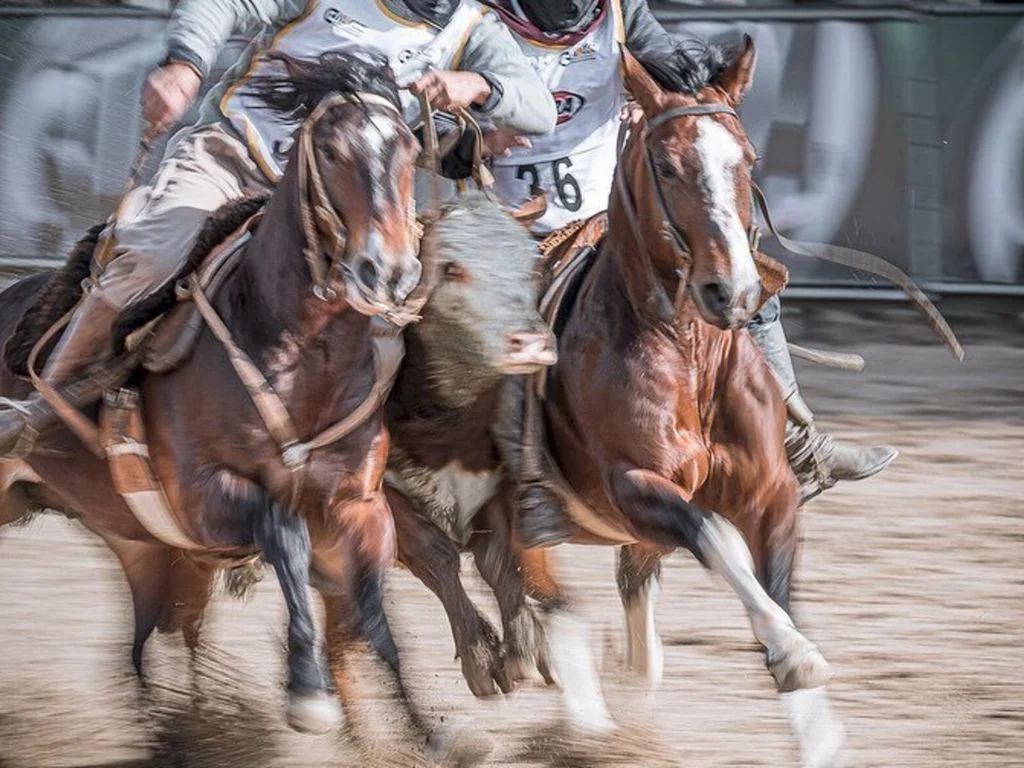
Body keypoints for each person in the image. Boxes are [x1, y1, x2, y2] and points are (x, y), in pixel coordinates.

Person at [0, 0, 557, 458]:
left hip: (348, 200)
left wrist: (479, 85)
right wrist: (186, 64)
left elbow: (540, 109)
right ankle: (46, 403)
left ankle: (364, 456)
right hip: (237, 159)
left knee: (402, 305)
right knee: (152, 258)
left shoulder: (474, 27)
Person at [482, 0, 897, 548]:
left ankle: (798, 442)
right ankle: (527, 479)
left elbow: (669, 63)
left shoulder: (618, 10)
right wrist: (477, 139)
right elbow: (438, 120)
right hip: (517, 220)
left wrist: (686, 90)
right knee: (513, 330)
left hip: (612, 215)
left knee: (749, 283)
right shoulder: (479, 20)